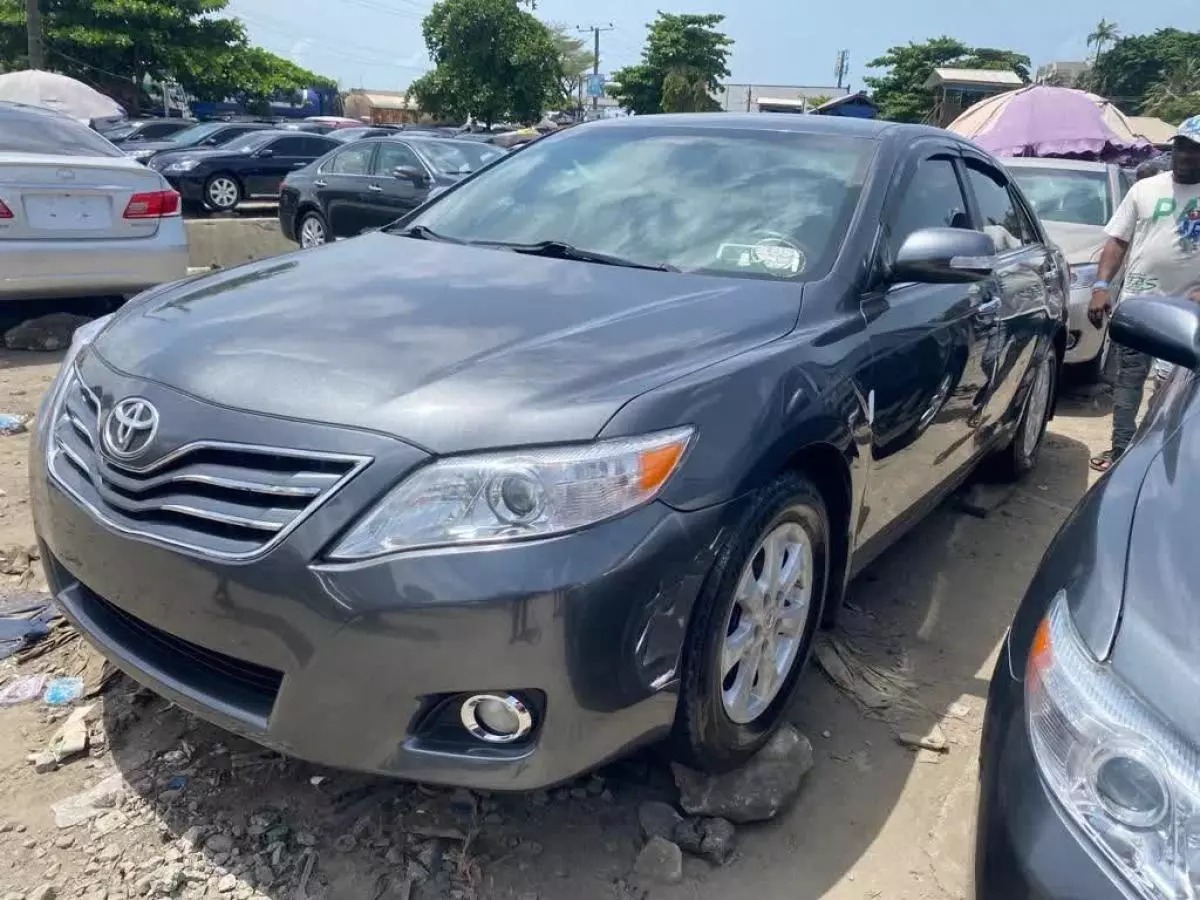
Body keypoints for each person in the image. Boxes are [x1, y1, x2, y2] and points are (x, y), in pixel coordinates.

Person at [1087, 116, 1200, 472]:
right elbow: (1117, 241)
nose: (1186, 155)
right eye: (1182, 146)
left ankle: (1154, 456)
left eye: (1196, 150)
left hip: (1183, 316)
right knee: (1127, 384)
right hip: (1136, 308)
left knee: (1170, 390)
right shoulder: (1145, 189)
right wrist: (1101, 287)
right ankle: (1122, 451)